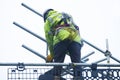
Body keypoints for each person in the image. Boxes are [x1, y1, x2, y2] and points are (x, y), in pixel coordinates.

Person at [43, 9, 83, 80]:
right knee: (77, 62)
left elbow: (49, 38)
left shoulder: (49, 19)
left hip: (60, 37)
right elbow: (76, 27)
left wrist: (52, 55)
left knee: (58, 61)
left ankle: (56, 77)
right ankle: (78, 77)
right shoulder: (66, 15)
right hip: (75, 38)